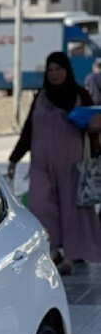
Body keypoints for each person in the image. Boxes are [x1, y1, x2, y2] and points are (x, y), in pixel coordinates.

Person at [9, 52, 101, 276]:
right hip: (41, 164)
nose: (54, 74)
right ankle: (53, 249)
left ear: (67, 70)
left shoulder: (80, 95)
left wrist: (95, 137)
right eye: (50, 70)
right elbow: (28, 131)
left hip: (72, 164)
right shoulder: (40, 96)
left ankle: (69, 256)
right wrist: (14, 158)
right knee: (40, 206)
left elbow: (94, 126)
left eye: (58, 69)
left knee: (71, 210)